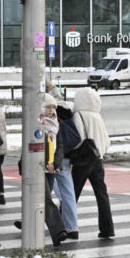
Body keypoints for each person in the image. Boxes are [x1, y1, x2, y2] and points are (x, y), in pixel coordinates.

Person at [15, 94, 68, 247]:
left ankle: (28, 224)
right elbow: (30, 146)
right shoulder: (35, 124)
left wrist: (55, 164)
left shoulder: (56, 124)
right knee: (44, 199)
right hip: (36, 167)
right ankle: (58, 231)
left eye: (53, 107)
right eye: (48, 107)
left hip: (50, 169)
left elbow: (60, 147)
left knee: (39, 200)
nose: (51, 110)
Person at [69, 86, 116, 240]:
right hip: (98, 159)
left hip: (83, 160)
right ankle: (107, 228)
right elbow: (106, 140)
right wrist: (100, 151)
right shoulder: (97, 116)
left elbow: (77, 139)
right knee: (102, 195)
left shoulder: (78, 115)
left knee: (72, 193)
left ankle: (65, 224)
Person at [52, 97, 80, 240]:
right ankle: (72, 227)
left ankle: (30, 221)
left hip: (54, 159)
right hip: (67, 158)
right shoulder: (72, 117)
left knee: (39, 191)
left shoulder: (53, 120)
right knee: (69, 193)